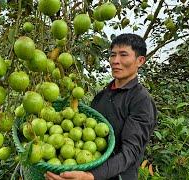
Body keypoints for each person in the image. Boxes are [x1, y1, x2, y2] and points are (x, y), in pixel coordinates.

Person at [45, 33, 158, 180]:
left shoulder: (140, 100)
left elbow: (131, 151)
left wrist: (91, 176)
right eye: (112, 55)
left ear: (140, 61)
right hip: (85, 168)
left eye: (123, 55)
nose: (115, 61)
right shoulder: (102, 95)